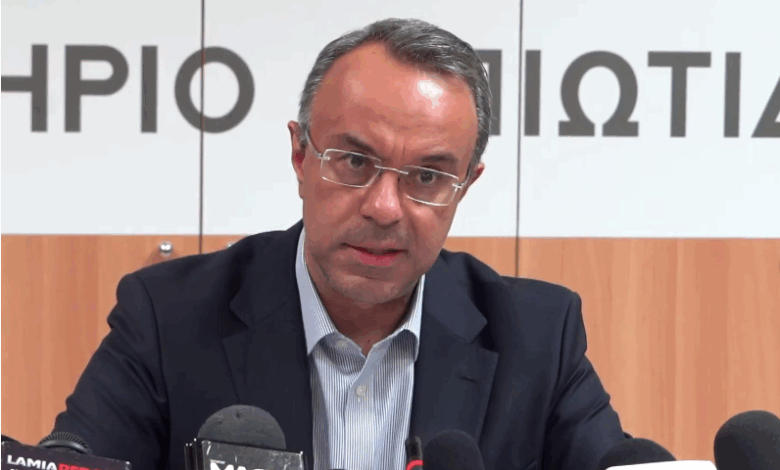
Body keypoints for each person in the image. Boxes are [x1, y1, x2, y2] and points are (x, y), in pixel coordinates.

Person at [51, 18, 628, 470]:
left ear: (465, 186)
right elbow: (76, 458)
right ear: (300, 155)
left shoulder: (537, 337)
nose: (384, 208)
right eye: (354, 162)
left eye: (428, 176)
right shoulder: (168, 318)